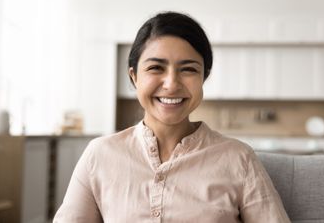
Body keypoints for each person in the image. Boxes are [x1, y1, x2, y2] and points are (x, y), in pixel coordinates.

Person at [53, 11, 290, 223]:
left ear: (203, 78)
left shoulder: (239, 158)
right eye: (156, 68)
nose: (171, 84)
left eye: (188, 69)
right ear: (135, 77)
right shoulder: (100, 155)